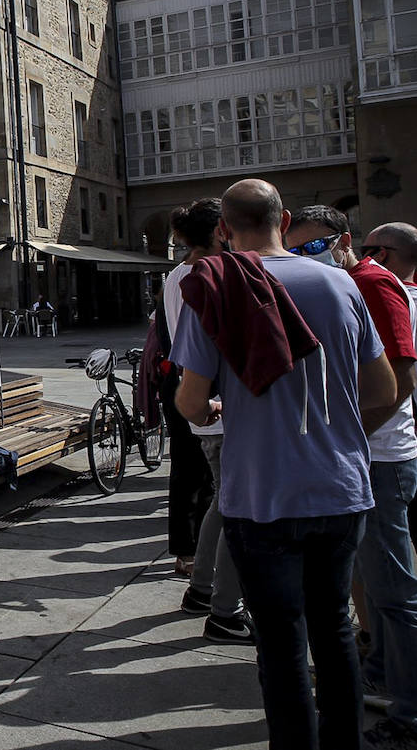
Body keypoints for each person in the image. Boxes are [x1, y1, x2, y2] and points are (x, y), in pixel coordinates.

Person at [173, 179, 395, 750]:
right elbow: (384, 388)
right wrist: (337, 435)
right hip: (341, 487)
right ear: (284, 217)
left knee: (280, 641)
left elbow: (191, 402)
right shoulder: (342, 285)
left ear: (224, 229)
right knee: (336, 631)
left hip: (260, 494)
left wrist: (220, 404)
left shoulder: (220, 287)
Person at [287, 206, 417, 750]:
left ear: (346, 242)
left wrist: (353, 438)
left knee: (394, 591)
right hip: (369, 455)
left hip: (381, 457)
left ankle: (410, 716)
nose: (302, 260)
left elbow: (401, 378)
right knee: (371, 581)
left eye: (312, 248)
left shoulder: (371, 284)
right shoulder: (351, 283)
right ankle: (383, 671)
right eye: (294, 251)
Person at [162, 198, 250, 644]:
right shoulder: (204, 275)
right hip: (216, 406)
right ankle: (217, 603)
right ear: (220, 231)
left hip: (206, 403)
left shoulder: (181, 275)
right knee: (230, 502)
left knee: (222, 498)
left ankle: (202, 589)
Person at [362, 221, 417, 551]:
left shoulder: (383, 297)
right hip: (402, 439)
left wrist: (356, 432)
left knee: (388, 563)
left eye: (365, 253)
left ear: (381, 254)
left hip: (391, 444)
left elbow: (402, 381)